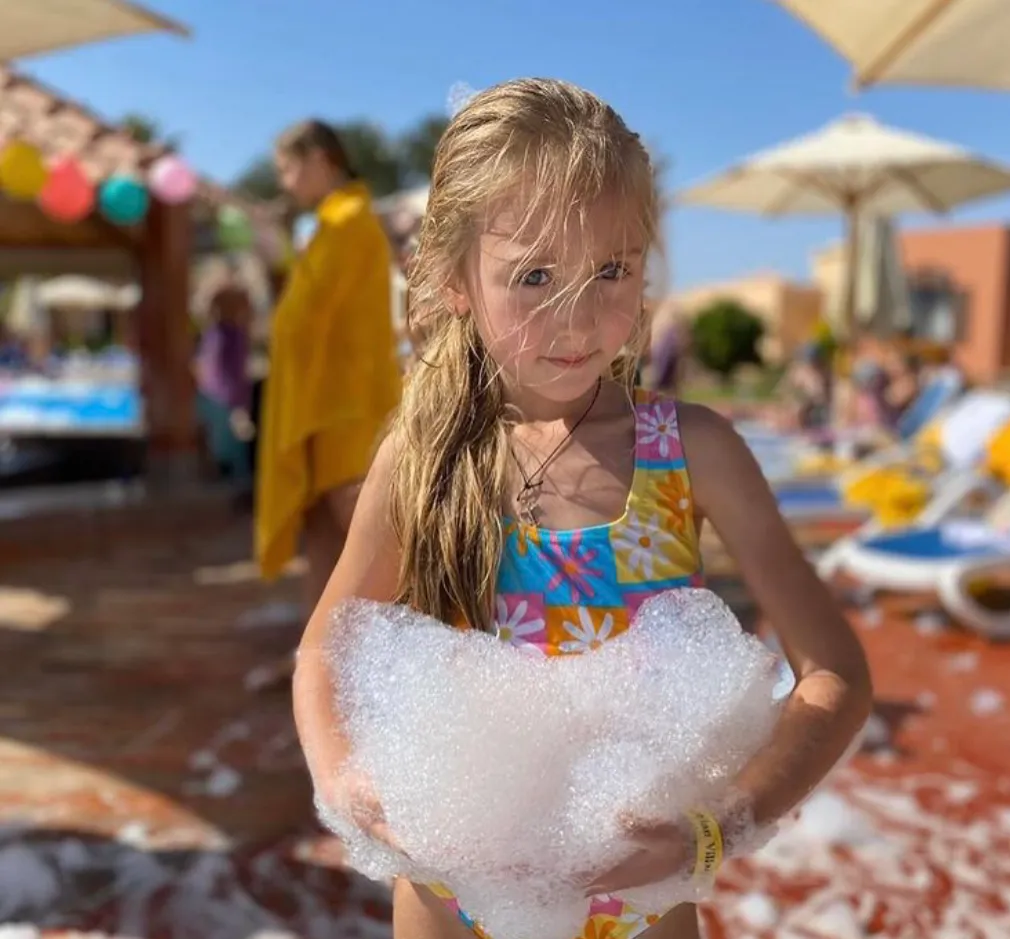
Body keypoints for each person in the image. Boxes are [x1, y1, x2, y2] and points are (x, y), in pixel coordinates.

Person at [292, 79, 871, 939]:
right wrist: (340, 780)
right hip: (448, 899)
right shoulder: (423, 454)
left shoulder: (691, 450)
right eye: (532, 275)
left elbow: (836, 676)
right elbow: (323, 650)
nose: (579, 316)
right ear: (456, 279)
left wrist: (718, 828)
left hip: (643, 906)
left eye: (612, 270)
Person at [255, 119, 402, 641]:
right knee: (319, 533)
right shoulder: (333, 222)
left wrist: (274, 253)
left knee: (366, 539)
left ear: (321, 160)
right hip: (327, 402)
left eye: (289, 168)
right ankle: (313, 656)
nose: (285, 182)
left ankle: (390, 659)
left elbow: (303, 313)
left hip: (349, 404)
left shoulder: (350, 220)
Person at [195, 283, 254, 489]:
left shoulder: (214, 334)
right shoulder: (231, 335)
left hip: (213, 397)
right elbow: (234, 371)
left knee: (225, 447)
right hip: (225, 399)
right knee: (231, 448)